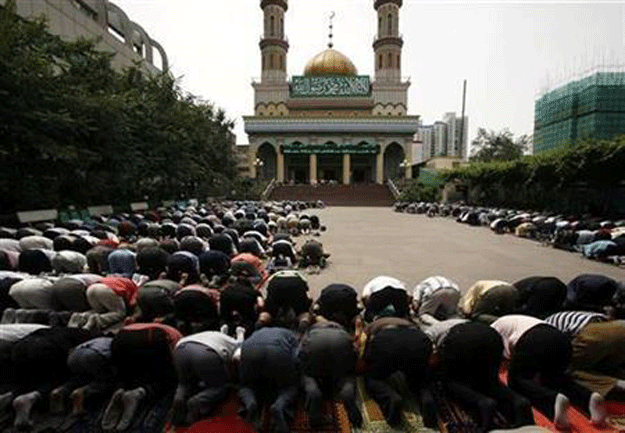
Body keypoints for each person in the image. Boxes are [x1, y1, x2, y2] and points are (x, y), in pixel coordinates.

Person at [491, 315, 605, 428]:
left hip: (533, 337)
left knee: (517, 380)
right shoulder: (509, 320)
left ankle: (553, 399)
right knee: (553, 379)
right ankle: (588, 397)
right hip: (561, 339)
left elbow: (495, 358)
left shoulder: (491, 330)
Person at [423, 318, 532, 432]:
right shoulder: (453, 322)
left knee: (449, 381)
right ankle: (519, 401)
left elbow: (432, 359)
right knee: (490, 381)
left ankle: (483, 402)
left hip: (462, 338)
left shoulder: (427, 335)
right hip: (491, 335)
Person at [101, 323, 182, 432]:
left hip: (120, 337)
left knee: (129, 373)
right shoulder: (179, 339)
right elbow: (175, 364)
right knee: (167, 379)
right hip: (150, 338)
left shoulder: (155, 326)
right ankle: (140, 393)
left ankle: (120, 392)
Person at [360, 316, 436, 428]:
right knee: (420, 378)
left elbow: (364, 353)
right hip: (418, 340)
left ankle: (391, 397)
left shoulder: (372, 326)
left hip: (386, 343)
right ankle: (427, 398)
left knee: (373, 378)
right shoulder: (409, 322)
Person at [171, 327, 245, 426]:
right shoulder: (233, 342)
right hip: (206, 353)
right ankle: (197, 401)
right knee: (219, 387)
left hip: (180, 349)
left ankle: (178, 404)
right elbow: (237, 354)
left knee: (184, 384)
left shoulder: (213, 333)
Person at [546, 310, 625, 400]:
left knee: (565, 369)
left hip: (594, 333)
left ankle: (615, 384)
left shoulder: (543, 328)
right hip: (617, 326)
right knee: (603, 368)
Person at [299, 317, 362, 428]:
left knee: (308, 374)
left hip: (316, 358)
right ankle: (349, 400)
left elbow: (300, 353)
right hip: (339, 354)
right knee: (346, 376)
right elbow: (355, 352)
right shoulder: (342, 331)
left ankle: (314, 396)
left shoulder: (311, 331)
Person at [238, 327, 299, 433]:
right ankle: (279, 405)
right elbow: (296, 358)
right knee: (289, 387)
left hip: (250, 349)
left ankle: (250, 403)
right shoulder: (290, 334)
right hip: (277, 350)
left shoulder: (257, 332)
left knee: (247, 385)